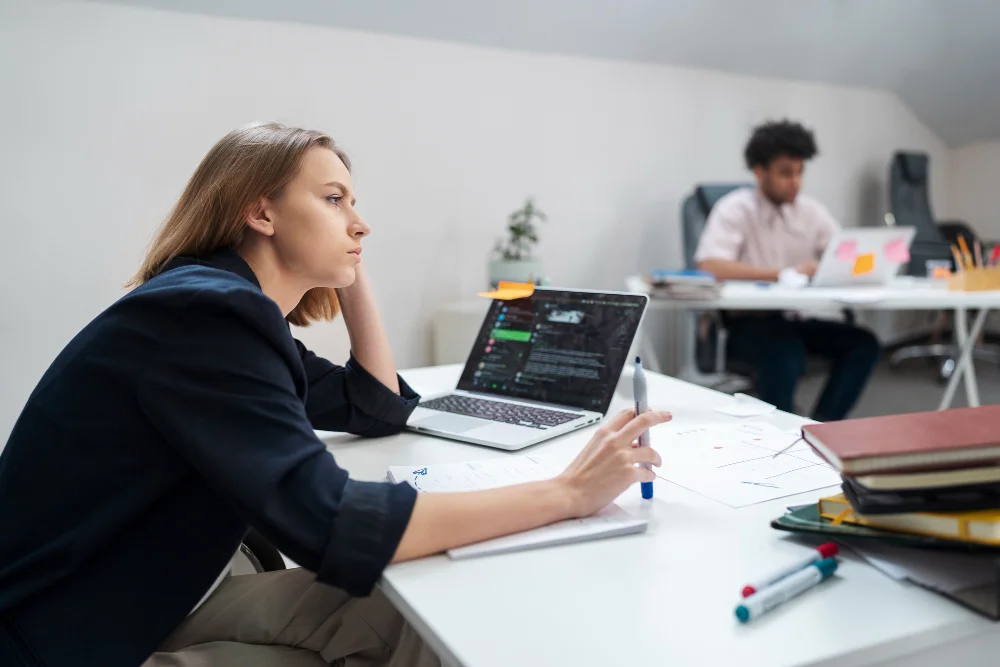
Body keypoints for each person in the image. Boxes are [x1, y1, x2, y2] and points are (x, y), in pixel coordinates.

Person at [0, 122, 670, 667]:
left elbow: (372, 405)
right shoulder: (207, 319)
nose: (361, 222)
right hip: (74, 634)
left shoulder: (220, 305)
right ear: (261, 211)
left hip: (153, 588)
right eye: (333, 198)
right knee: (420, 626)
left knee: (406, 610)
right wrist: (568, 492)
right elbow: (334, 524)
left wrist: (348, 267)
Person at [695, 119, 880, 421]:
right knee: (784, 350)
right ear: (759, 171)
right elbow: (710, 265)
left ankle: (820, 427)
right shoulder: (735, 209)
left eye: (799, 172)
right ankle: (778, 434)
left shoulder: (811, 211)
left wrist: (858, 263)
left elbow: (846, 252)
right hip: (746, 325)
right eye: (784, 173)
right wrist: (783, 272)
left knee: (864, 344)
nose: (795, 181)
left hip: (798, 319)